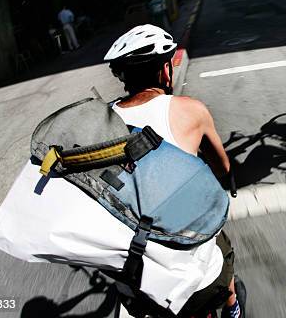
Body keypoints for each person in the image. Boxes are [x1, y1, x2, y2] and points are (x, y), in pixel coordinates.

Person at [104, 24, 245, 318]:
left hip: (135, 266)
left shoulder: (103, 120)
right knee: (221, 249)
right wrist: (226, 181)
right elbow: (222, 166)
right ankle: (233, 308)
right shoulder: (189, 109)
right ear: (165, 72)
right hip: (194, 272)